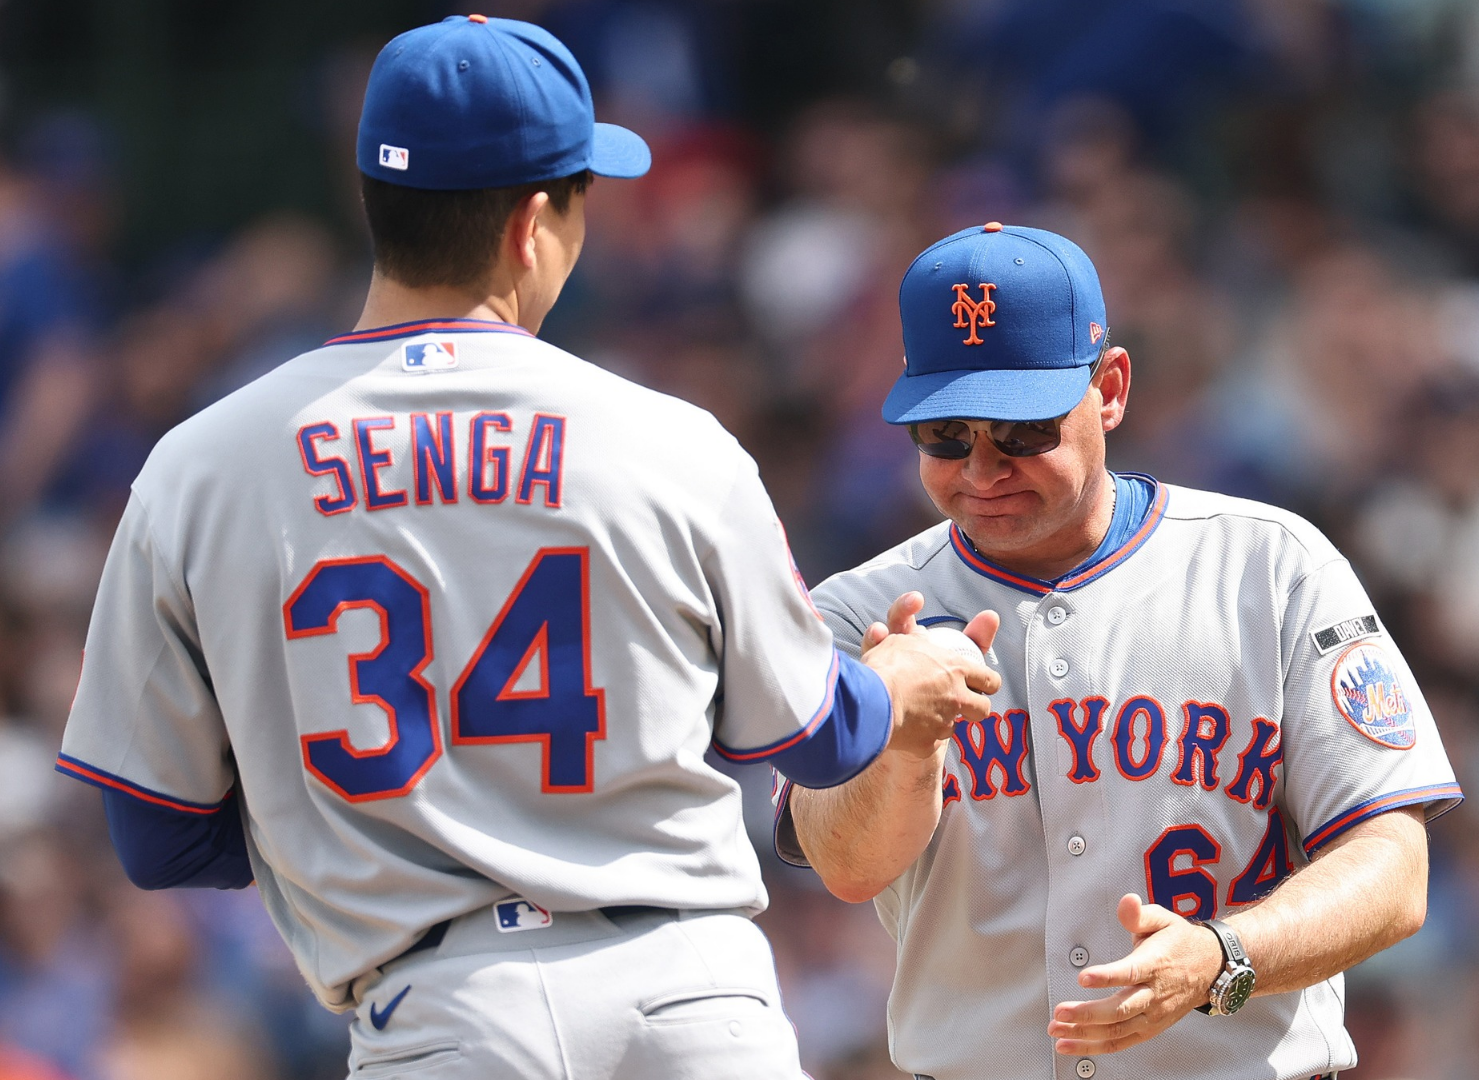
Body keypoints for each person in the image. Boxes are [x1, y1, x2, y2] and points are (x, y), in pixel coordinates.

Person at [53, 16, 996, 1080]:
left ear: (373, 198)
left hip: (440, 1013)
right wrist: (896, 680)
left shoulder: (197, 468)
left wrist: (353, 826)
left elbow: (155, 837)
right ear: (532, 222)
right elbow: (820, 740)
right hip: (685, 995)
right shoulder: (669, 440)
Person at [777, 222, 1462, 1080]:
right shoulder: (862, 614)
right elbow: (843, 864)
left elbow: (1395, 871)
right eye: (946, 436)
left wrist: (1223, 958)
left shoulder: (1270, 567)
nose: (983, 470)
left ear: (1109, 389)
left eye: (1021, 431)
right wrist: (908, 742)